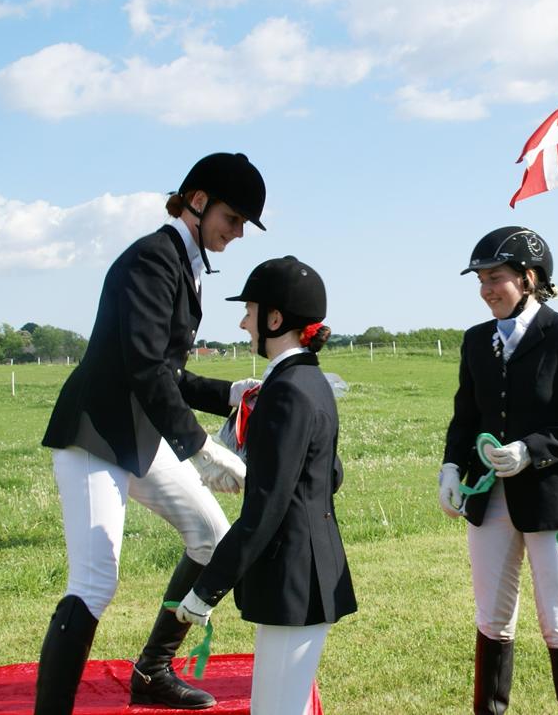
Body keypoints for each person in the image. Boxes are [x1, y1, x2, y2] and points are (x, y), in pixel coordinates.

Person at [35, 152, 267, 713]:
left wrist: (227, 394)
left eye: (241, 225)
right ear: (196, 199)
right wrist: (202, 448)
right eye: (232, 218)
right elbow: (142, 366)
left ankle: (152, 672)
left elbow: (167, 372)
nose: (236, 233)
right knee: (95, 581)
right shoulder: (151, 258)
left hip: (138, 435)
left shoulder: (185, 264)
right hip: (96, 435)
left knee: (212, 538)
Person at [174, 256, 356, 715]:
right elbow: (329, 474)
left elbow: (266, 508)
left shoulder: (288, 391)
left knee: (276, 710)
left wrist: (206, 590)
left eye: (250, 311)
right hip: (303, 571)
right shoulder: (310, 380)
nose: (242, 322)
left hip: (294, 576)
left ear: (275, 319)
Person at [439, 226, 558, 715]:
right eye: (482, 279)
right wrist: (451, 467)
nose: (487, 288)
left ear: (529, 278)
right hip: (490, 501)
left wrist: (532, 449)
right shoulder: (475, 340)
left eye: (497, 277)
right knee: (491, 617)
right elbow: (467, 416)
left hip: (553, 498)